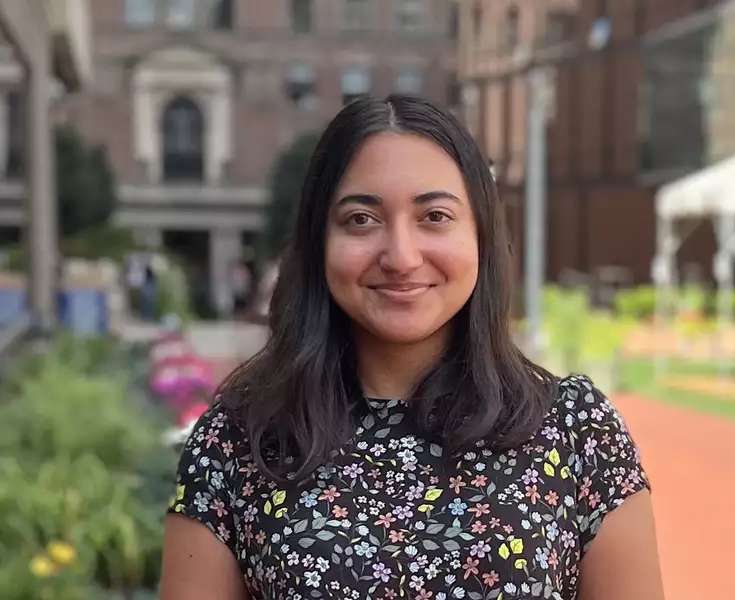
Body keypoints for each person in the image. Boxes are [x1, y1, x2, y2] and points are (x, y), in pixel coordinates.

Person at [160, 96, 664, 600]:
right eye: (361, 219)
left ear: (481, 236)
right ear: (318, 242)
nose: (401, 257)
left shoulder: (577, 431)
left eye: (435, 216)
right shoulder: (237, 439)